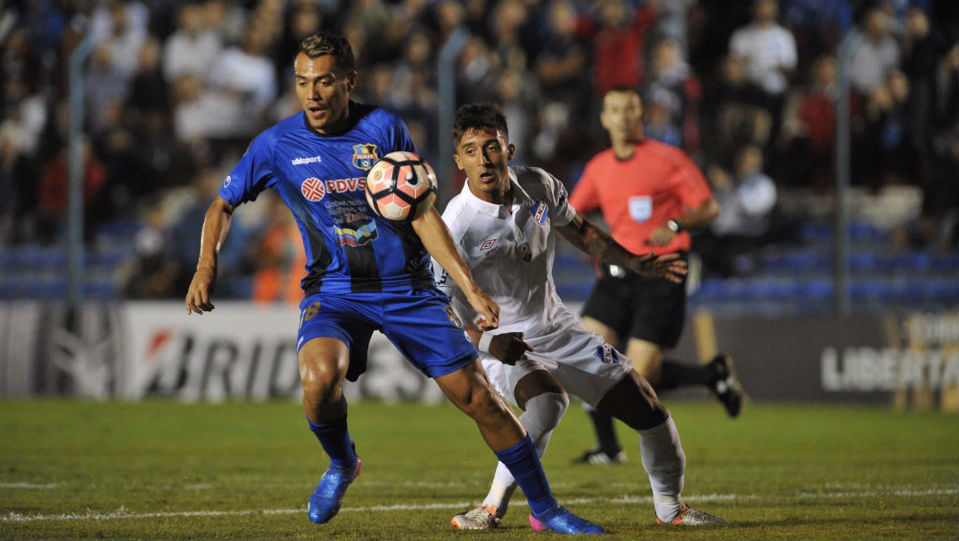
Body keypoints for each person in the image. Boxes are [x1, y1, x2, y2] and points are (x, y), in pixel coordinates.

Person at [183, 32, 602, 535]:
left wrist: (469, 289)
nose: (312, 94)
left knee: (480, 400)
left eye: (325, 82)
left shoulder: (383, 128)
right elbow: (221, 204)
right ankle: (342, 464)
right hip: (334, 292)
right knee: (318, 383)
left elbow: (422, 211)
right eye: (302, 83)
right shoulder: (276, 144)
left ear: (349, 81)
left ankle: (547, 509)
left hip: (408, 289)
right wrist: (206, 265)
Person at [439, 103, 728, 529]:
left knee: (650, 411)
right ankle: (491, 506)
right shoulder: (456, 226)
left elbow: (583, 231)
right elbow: (437, 306)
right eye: (471, 150)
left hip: (557, 327)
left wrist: (633, 262)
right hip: (503, 341)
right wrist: (485, 343)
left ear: (509, 149)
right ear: (458, 161)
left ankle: (671, 509)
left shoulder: (538, 185)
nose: (483, 159)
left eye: (491, 147)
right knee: (546, 405)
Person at [569, 87, 742, 465]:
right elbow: (571, 215)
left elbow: (709, 207)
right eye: (615, 110)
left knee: (635, 381)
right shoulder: (598, 167)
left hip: (663, 270)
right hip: (617, 274)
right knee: (588, 361)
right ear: (604, 118)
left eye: (630, 109)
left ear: (641, 114)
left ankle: (709, 377)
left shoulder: (668, 159)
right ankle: (610, 448)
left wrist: (677, 221)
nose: (623, 117)